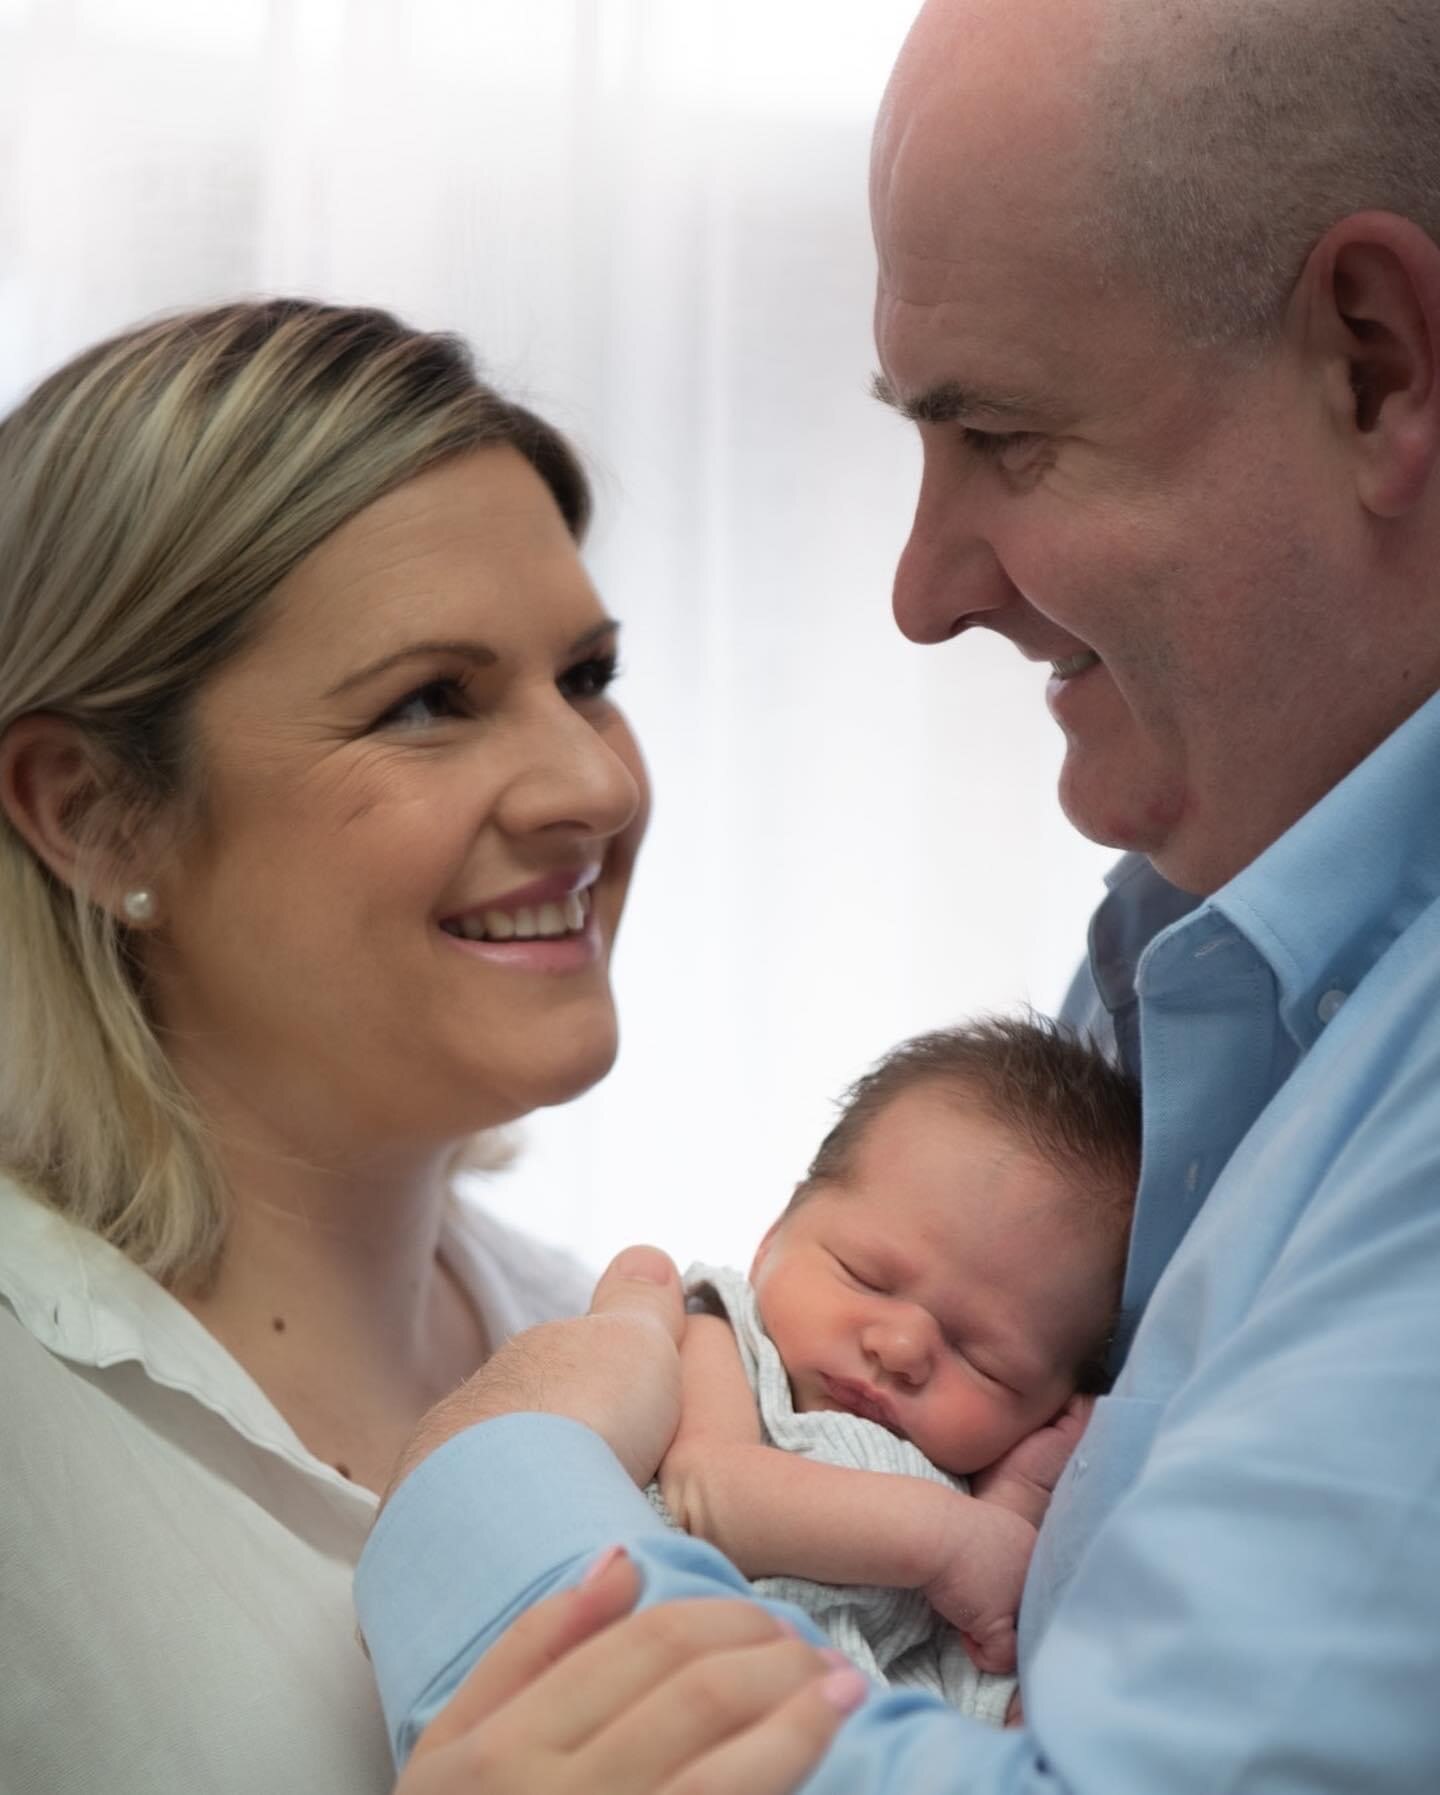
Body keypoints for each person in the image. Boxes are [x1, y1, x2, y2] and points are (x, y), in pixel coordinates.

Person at [354, 0, 1440, 1789]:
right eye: (419, 700)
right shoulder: (1197, 970)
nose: (919, 595)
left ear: (1379, 367)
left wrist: (490, 1485)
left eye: (1002, 438)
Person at [0, 297, 850, 1795]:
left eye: (589, 675)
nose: (591, 783)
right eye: (429, 703)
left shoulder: (627, 1347)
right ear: (88, 810)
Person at [649, 1017, 1138, 1711]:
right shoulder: (724, 1338)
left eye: (983, 1357)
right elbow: (708, 1493)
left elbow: (970, 1680)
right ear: (774, 1236)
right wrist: (947, 1540)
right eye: (866, 1276)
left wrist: (1015, 1501)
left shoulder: (975, 1499)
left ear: (1052, 1404)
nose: (902, 1348)